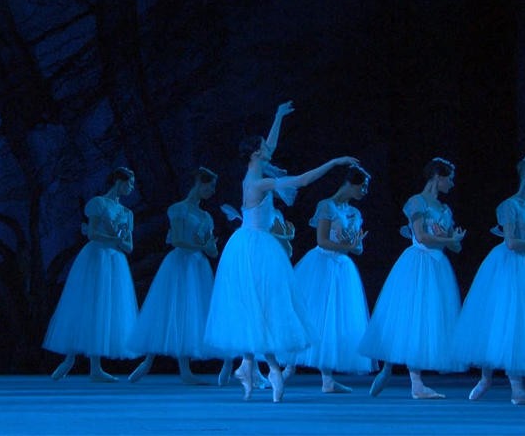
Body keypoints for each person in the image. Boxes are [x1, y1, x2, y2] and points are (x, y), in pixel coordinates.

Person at [203, 100, 359, 402]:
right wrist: (334, 162)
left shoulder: (257, 170)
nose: (269, 148)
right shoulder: (257, 182)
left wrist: (278, 116)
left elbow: (271, 145)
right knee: (258, 303)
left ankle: (250, 366)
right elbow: (301, 180)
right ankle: (266, 368)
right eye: (263, 146)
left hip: (255, 244)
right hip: (252, 248)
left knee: (261, 303)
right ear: (255, 153)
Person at [359, 157, 466, 400]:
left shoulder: (445, 209)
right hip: (418, 263)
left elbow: (453, 245)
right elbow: (421, 236)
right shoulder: (417, 202)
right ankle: (401, 374)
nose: (451, 183)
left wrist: (454, 240)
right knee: (409, 315)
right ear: (437, 176)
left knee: (425, 318)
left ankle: (407, 377)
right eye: (449, 178)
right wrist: (448, 239)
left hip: (437, 266)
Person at [455, 156, 525, 405]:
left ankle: (517, 388)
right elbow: (511, 242)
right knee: (498, 316)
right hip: (507, 265)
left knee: (521, 321)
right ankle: (486, 377)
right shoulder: (509, 206)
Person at [127, 167, 233, 385]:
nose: (212, 191)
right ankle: (147, 361)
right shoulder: (178, 210)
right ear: (199, 184)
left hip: (197, 266)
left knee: (191, 311)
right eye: (210, 186)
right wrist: (201, 246)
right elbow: (176, 240)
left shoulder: (206, 216)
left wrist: (209, 247)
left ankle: (185, 370)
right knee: (168, 308)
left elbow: (212, 251)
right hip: (179, 264)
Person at [284, 164, 376, 393]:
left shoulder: (355, 213)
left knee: (332, 321)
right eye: (362, 186)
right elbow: (322, 241)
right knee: (311, 314)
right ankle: (288, 366)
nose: (365, 191)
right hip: (321, 264)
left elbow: (358, 248)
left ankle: (327, 380)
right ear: (350, 184)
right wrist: (347, 245)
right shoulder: (327, 206)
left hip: (342, 268)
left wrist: (353, 245)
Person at [43, 167, 139, 381]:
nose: (131, 188)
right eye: (129, 183)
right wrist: (113, 237)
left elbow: (129, 246)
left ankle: (95, 367)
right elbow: (93, 233)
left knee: (105, 309)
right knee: (86, 304)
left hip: (114, 261)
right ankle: (69, 359)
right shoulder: (99, 203)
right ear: (118, 181)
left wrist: (117, 240)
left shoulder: (127, 213)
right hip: (96, 258)